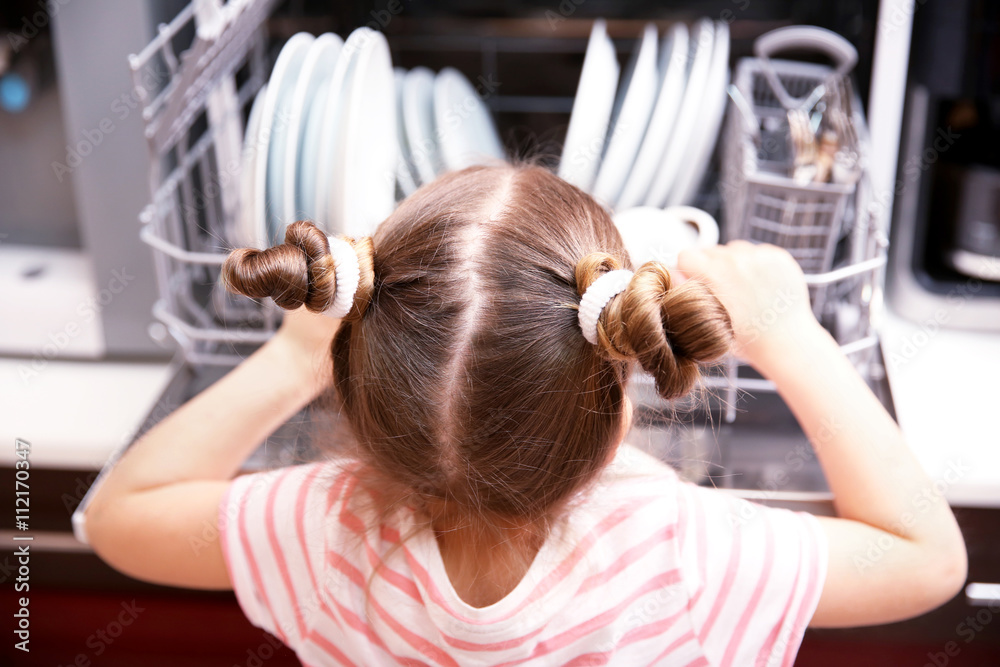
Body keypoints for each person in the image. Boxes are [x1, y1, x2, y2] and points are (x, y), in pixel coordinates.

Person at [84, 164, 967, 666]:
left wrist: (286, 360)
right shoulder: (678, 555)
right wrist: (792, 338)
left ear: (356, 384)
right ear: (619, 407)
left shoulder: (330, 533)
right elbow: (926, 561)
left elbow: (122, 518)